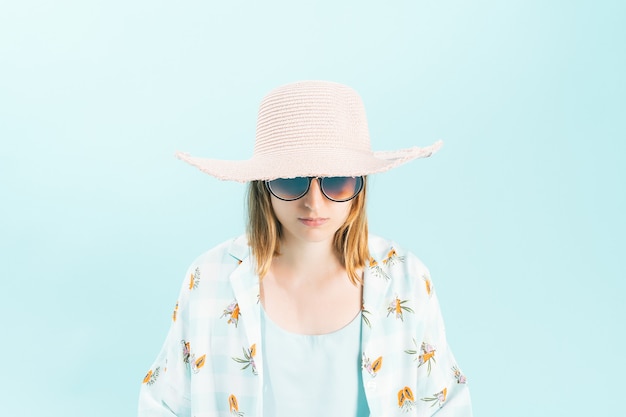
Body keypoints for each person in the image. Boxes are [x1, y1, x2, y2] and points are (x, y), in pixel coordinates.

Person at [138, 80, 472, 416]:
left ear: (360, 184)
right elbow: (163, 403)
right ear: (263, 186)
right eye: (292, 180)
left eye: (337, 181)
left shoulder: (406, 278)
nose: (314, 203)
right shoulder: (210, 278)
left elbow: (446, 404)